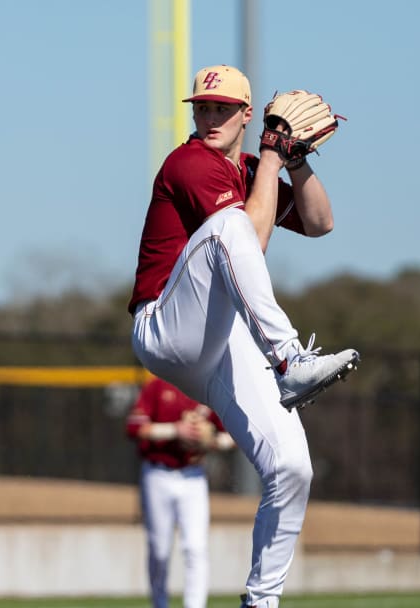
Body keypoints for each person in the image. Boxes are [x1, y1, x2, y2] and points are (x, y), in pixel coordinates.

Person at [129, 64, 359, 608]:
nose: (209, 117)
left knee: (292, 467)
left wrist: (294, 162)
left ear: (246, 115)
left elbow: (321, 221)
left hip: (219, 341)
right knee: (230, 226)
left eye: (222, 109)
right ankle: (288, 359)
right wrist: (274, 158)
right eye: (202, 108)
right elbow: (247, 238)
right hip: (165, 325)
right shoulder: (188, 162)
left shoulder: (252, 169)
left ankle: (262, 600)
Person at [126, 376, 235, 608]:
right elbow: (135, 427)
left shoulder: (205, 387)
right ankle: (159, 603)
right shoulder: (157, 386)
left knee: (195, 547)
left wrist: (211, 440)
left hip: (193, 476)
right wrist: (176, 430)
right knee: (159, 550)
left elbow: (232, 435)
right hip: (158, 474)